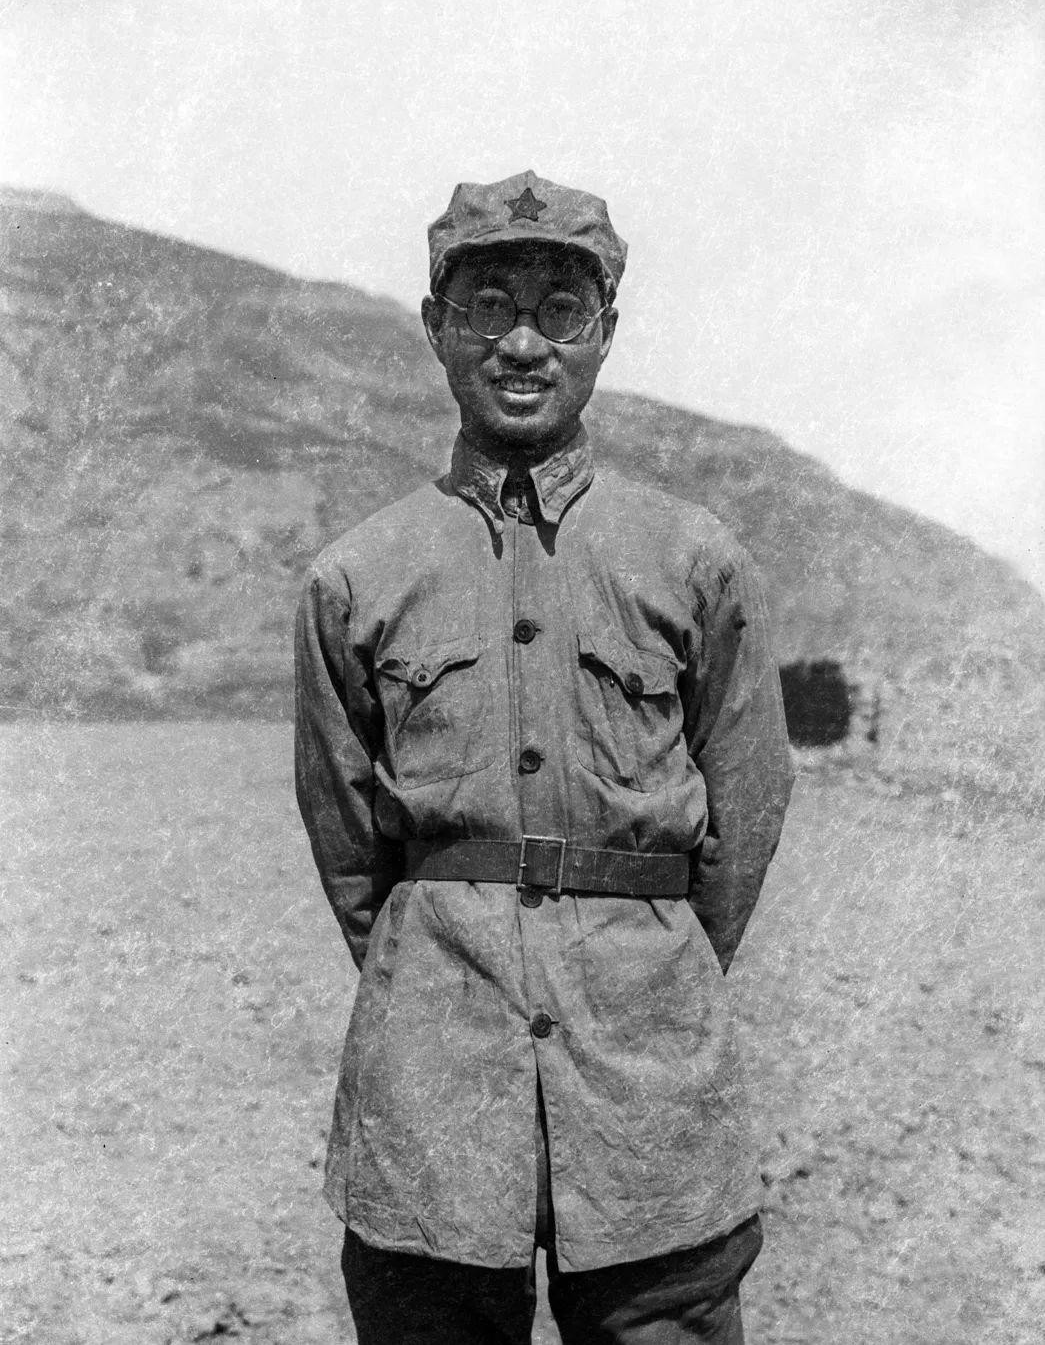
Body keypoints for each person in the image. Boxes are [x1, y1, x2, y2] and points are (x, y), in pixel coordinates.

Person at [294, 170, 794, 1344]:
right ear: (436, 327)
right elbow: (347, 835)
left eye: (560, 310)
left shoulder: (694, 559)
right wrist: (436, 955)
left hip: (646, 1070)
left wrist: (649, 961)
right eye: (488, 307)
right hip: (433, 1073)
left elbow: (748, 800)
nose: (522, 345)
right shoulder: (356, 576)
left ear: (605, 332)